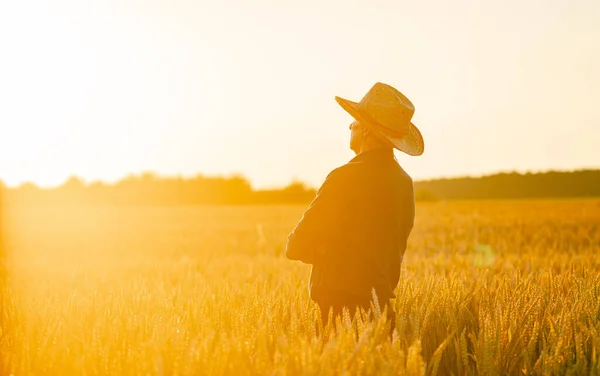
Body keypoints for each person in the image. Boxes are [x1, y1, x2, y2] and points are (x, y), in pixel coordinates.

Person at [285, 82, 424, 331]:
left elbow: (297, 245)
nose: (350, 126)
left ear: (368, 132)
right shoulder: (404, 183)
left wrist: (327, 250)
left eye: (354, 121)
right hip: (381, 311)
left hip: (338, 311)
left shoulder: (343, 177)